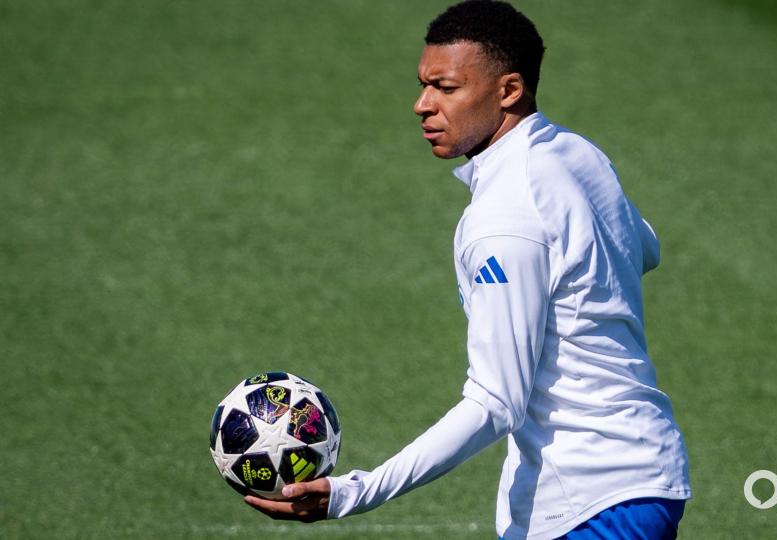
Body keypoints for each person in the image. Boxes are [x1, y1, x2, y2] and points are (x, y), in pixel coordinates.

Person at [244, 1, 691, 538]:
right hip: (629, 478)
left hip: (595, 497)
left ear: (508, 90)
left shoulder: (503, 218)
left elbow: (495, 403)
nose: (421, 105)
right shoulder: (577, 155)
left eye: (446, 88)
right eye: (423, 84)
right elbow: (644, 248)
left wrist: (353, 492)